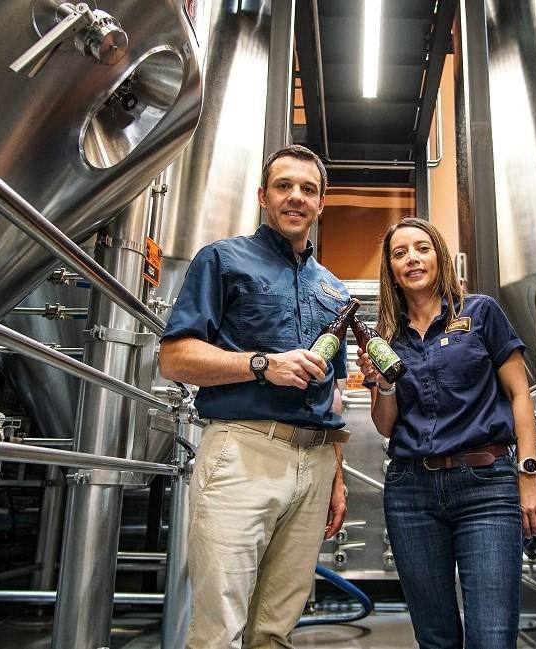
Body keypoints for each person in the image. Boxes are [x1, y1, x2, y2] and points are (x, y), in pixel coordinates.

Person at [159, 145, 350, 649]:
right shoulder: (222, 258)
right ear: (263, 196)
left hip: (316, 463)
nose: (296, 197)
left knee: (275, 629)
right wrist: (262, 364)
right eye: (284, 186)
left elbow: (335, 395)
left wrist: (337, 479)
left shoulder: (333, 289)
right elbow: (174, 358)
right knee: (220, 627)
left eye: (308, 189)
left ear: (321, 203)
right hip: (243, 452)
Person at [357, 217, 536, 649]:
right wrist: (383, 385)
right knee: (436, 637)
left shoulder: (480, 312)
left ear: (439, 256)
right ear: (390, 269)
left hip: (486, 485)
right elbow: (384, 424)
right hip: (411, 492)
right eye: (399, 253)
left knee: (492, 637)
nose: (412, 259)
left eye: (421, 248)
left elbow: (520, 394)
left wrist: (529, 473)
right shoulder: (385, 337)